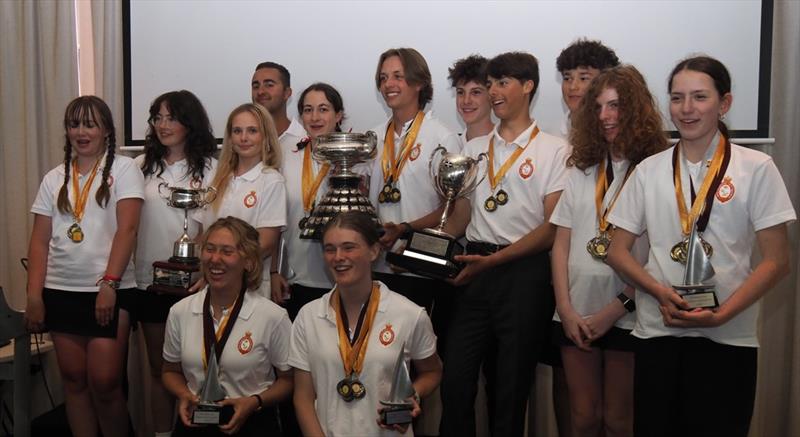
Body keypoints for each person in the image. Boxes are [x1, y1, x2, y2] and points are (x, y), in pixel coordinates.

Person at [606, 55, 795, 437]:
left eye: (699, 97)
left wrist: (722, 314)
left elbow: (778, 260)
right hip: (658, 332)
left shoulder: (756, 167)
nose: (686, 109)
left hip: (729, 336)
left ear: (724, 103)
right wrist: (659, 291)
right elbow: (616, 250)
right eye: (677, 98)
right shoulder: (649, 170)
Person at [439, 51, 570, 437]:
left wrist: (493, 263)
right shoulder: (476, 150)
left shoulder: (555, 149)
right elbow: (462, 216)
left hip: (524, 274)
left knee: (511, 389)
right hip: (474, 266)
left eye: (502, 82)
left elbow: (551, 229)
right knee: (456, 382)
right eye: (491, 83)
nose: (493, 92)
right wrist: (430, 247)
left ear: (528, 86)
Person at [550, 65, 667, 437]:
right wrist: (565, 309)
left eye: (615, 106)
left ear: (635, 109)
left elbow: (657, 258)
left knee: (618, 421)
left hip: (630, 313)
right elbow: (560, 245)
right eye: (598, 107)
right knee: (583, 418)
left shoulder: (656, 171)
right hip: (576, 312)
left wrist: (616, 309)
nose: (605, 116)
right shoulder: (581, 169)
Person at [25, 95, 144, 437]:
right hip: (60, 289)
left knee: (105, 383)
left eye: (90, 124)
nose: (81, 131)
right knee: (74, 382)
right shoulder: (54, 178)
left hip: (109, 290)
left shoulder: (124, 169)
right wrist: (35, 296)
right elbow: (39, 240)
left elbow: (128, 229)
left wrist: (109, 282)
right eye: (74, 124)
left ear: (106, 129)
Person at [290, 211, 442, 437]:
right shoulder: (308, 316)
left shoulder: (409, 314)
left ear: (373, 251)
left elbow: (432, 371)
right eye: (330, 249)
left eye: (349, 247)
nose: (338, 257)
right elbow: (303, 397)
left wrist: (413, 395)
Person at [135, 90, 218, 437]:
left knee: (196, 368)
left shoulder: (212, 168)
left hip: (195, 284)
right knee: (160, 369)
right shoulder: (139, 166)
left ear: (190, 122)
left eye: (172, 117)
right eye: (158, 117)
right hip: (147, 282)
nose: (163, 125)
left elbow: (214, 227)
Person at [162, 216, 293, 436]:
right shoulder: (180, 311)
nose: (215, 259)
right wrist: (184, 394)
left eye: (227, 251)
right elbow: (169, 371)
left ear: (249, 262)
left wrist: (254, 401)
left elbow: (289, 382)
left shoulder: (273, 316)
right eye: (210, 249)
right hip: (194, 423)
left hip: (252, 423)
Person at [368, 47, 461, 315]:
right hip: (377, 266)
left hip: (420, 269)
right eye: (383, 78)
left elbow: (450, 208)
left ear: (419, 83)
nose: (389, 84)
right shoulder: (372, 138)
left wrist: (405, 229)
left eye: (398, 76)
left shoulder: (441, 137)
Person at [191, 103, 287, 299]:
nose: (244, 138)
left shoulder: (271, 180)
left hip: (250, 286)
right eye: (237, 131)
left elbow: (266, 242)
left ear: (265, 136)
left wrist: (224, 267)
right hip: (211, 281)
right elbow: (202, 235)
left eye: (252, 131)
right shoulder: (215, 178)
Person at [271, 82, 344, 320]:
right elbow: (273, 219)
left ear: (338, 115)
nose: (315, 117)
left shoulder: (353, 159)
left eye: (323, 109)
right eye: (308, 110)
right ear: (300, 116)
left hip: (339, 278)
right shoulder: (286, 156)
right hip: (293, 277)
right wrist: (274, 270)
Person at [556, 38, 619, 136]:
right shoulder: (551, 135)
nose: (573, 87)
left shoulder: (616, 133)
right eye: (567, 78)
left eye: (583, 78)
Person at [251, 61, 307, 148]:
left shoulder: (305, 139)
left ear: (287, 93)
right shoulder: (244, 140)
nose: (260, 91)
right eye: (255, 86)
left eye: (269, 85)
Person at [448, 54, 494, 146]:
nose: (466, 101)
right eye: (461, 92)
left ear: (491, 95)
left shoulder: (505, 145)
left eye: (476, 92)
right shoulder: (452, 146)